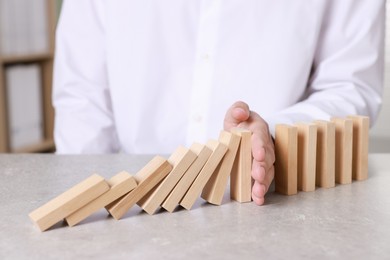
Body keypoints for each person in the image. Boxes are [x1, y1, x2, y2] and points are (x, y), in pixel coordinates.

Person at [53, 0, 385, 206]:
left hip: (270, 205)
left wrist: (271, 134)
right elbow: (81, 96)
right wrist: (86, 200)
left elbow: (350, 84)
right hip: (126, 207)